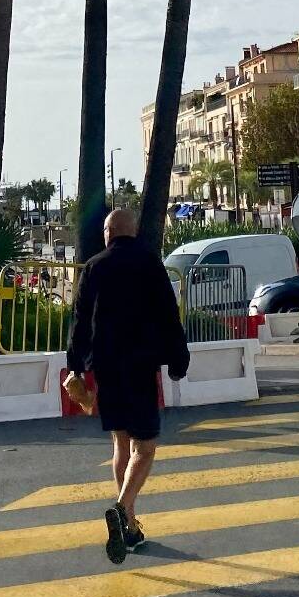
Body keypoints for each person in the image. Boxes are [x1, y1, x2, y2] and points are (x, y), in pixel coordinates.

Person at [65, 209, 189, 565]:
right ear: (132, 232)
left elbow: (79, 319)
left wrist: (75, 366)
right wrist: (178, 359)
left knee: (121, 442)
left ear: (109, 233)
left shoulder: (94, 267)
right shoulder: (150, 264)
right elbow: (169, 313)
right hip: (140, 365)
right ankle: (122, 509)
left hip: (106, 366)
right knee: (145, 447)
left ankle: (131, 527)